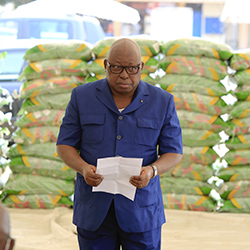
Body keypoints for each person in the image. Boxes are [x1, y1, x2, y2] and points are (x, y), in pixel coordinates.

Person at [56, 38, 183, 250]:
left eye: (132, 68)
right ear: (106, 65)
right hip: (94, 210)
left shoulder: (162, 101)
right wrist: (83, 168)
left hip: (141, 211)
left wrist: (152, 170)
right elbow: (64, 145)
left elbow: (174, 152)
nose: (124, 74)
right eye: (116, 67)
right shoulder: (82, 96)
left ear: (141, 67)